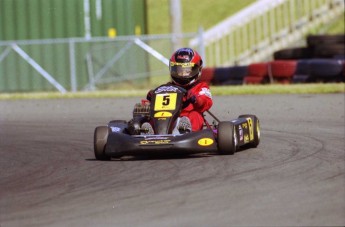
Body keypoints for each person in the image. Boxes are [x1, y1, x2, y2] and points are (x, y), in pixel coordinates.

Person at [142, 47, 213, 134]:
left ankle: (185, 130)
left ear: (197, 69)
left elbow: (206, 102)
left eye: (187, 70)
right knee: (153, 116)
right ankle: (148, 131)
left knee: (195, 115)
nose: (183, 74)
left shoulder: (201, 87)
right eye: (180, 70)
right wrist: (152, 97)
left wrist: (196, 99)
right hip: (168, 119)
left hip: (188, 119)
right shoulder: (167, 87)